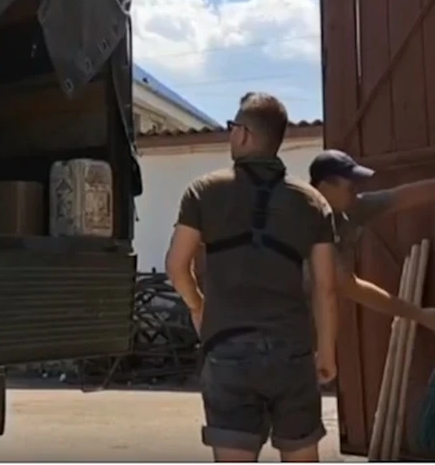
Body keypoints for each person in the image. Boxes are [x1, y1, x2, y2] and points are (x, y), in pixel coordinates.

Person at [165, 92, 339, 463]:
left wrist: (199, 308)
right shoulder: (312, 203)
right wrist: (327, 350)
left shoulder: (203, 191)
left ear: (243, 134)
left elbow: (177, 266)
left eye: (232, 128)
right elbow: (326, 287)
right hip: (292, 352)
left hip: (228, 349)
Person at [309, 149, 435, 331]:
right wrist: (419, 315)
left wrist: (419, 315)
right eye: (350, 188)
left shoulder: (351, 208)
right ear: (324, 187)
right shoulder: (305, 222)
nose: (356, 192)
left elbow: (401, 197)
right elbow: (348, 286)